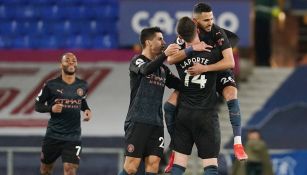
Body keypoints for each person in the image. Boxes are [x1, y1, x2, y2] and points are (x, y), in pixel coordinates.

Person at [164, 3, 248, 173]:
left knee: (231, 93)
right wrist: (192, 49)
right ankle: (175, 147)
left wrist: (205, 68)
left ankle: (238, 142)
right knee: (169, 103)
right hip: (198, 75)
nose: (210, 22)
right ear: (195, 22)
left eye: (211, 18)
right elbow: (171, 59)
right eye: (206, 20)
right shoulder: (186, 33)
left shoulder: (217, 32)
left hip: (218, 67)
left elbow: (230, 62)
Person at [118, 27, 186, 175]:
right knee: (131, 168)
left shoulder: (162, 69)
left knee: (153, 165)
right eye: (160, 39)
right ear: (148, 42)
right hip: (138, 120)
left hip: (156, 123)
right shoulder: (137, 60)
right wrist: (165, 55)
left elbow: (181, 85)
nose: (164, 42)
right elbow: (145, 70)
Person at [35, 52, 92, 175]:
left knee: (70, 170)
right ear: (61, 64)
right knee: (45, 170)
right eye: (67, 60)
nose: (71, 62)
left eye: (74, 60)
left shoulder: (83, 85)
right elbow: (37, 105)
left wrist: (87, 110)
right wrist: (51, 108)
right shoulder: (50, 85)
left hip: (73, 137)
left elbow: (81, 100)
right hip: (53, 136)